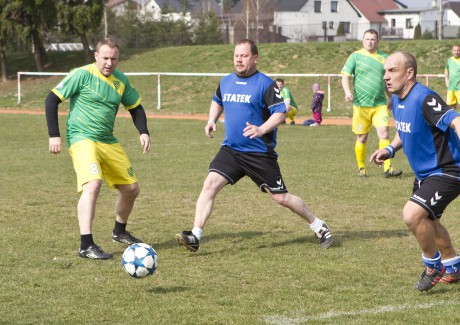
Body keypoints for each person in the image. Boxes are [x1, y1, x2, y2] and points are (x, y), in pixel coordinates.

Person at [175, 39, 333, 252]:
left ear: (255, 58)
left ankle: (319, 225)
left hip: (258, 153)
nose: (239, 59)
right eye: (236, 55)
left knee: (281, 198)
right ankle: (195, 235)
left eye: (244, 55)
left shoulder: (265, 84)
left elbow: (280, 112)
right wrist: (212, 119)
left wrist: (261, 130)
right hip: (231, 150)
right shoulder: (226, 81)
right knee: (210, 184)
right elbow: (217, 100)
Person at [45, 38, 151, 260]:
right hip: (82, 138)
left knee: (132, 189)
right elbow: (52, 99)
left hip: (107, 140)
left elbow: (136, 107)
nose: (109, 63)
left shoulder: (120, 80)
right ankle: (86, 245)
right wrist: (54, 135)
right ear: (96, 56)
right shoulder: (81, 74)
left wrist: (143, 131)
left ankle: (119, 232)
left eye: (113, 59)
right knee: (92, 185)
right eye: (105, 58)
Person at [370, 51, 460, 291]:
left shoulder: (424, 98)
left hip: (448, 170)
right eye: (385, 72)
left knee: (412, 215)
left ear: (409, 73)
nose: (386, 77)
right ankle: (453, 265)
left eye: (392, 71)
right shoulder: (398, 99)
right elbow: (404, 129)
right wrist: (389, 149)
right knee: (430, 221)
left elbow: (456, 120)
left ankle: (433, 266)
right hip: (425, 174)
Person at [341, 29, 402, 178]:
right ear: (363, 40)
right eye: (367, 39)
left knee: (384, 133)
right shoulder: (355, 56)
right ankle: (361, 168)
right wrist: (347, 92)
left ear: (377, 41)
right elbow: (345, 77)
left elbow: (388, 81)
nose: (370, 41)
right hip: (361, 106)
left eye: (373, 39)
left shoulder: (384, 58)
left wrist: (392, 99)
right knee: (362, 138)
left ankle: (388, 168)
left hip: (379, 105)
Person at [444, 44, 460, 109]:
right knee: (451, 107)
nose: (456, 52)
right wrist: (446, 80)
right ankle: (453, 119)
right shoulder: (450, 60)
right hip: (451, 87)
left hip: (459, 87)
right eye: (455, 50)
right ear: (452, 51)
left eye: (458, 50)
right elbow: (446, 70)